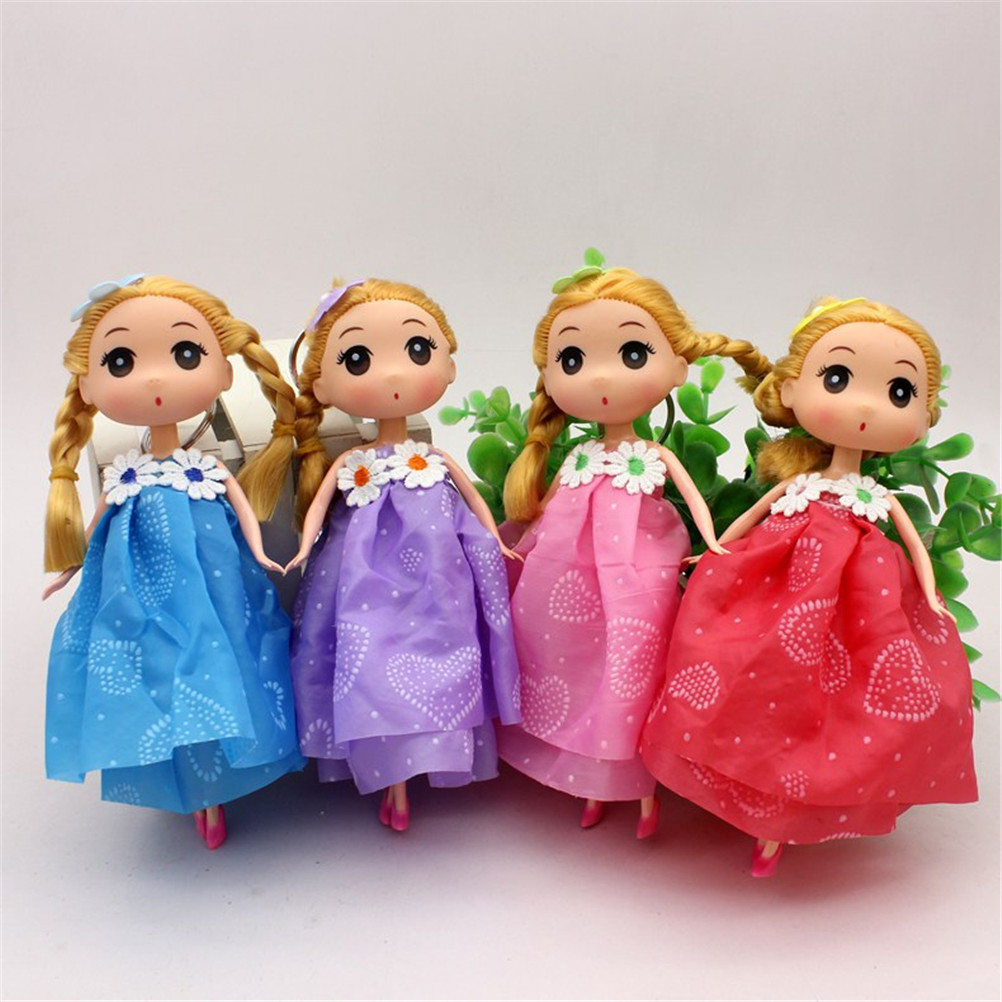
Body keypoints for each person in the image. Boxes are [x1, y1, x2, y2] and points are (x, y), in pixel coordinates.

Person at [640, 297, 978, 875]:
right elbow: (751, 518)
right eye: (838, 378)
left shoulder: (876, 496)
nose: (866, 406)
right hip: (777, 585)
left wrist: (928, 593)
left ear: (924, 418)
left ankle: (783, 821)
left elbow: (913, 546)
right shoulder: (798, 484)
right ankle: (748, 793)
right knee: (750, 676)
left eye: (899, 392)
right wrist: (714, 549)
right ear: (791, 389)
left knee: (837, 702)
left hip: (862, 600)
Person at [499, 253, 770, 837]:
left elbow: (693, 500)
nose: (600, 378)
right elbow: (549, 512)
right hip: (566, 584)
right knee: (576, 672)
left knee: (632, 677)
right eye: (573, 360)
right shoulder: (577, 454)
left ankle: (642, 795)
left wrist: (713, 544)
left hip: (638, 579)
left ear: (678, 367)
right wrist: (525, 544)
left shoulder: (652, 455)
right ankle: (589, 784)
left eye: (631, 354)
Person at [44, 274, 305, 849]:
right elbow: (95, 530)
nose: (156, 379)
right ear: (86, 386)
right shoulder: (125, 475)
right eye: (120, 362)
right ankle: (193, 788)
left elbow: (245, 515)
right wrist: (70, 570)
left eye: (186, 354)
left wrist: (262, 553)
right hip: (143, 591)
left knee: (223, 660)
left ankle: (216, 787)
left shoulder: (206, 468)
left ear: (225, 372)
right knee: (158, 673)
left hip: (216, 584)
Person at [282, 277, 521, 831]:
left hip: (439, 577)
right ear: (321, 385)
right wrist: (303, 549)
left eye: (417, 350)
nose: (393, 375)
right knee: (370, 663)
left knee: (445, 653)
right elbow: (317, 511)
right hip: (363, 581)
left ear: (448, 364)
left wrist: (497, 540)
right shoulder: (352, 463)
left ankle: (417, 765)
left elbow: (474, 501)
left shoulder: (432, 458)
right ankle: (389, 775)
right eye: (359, 359)